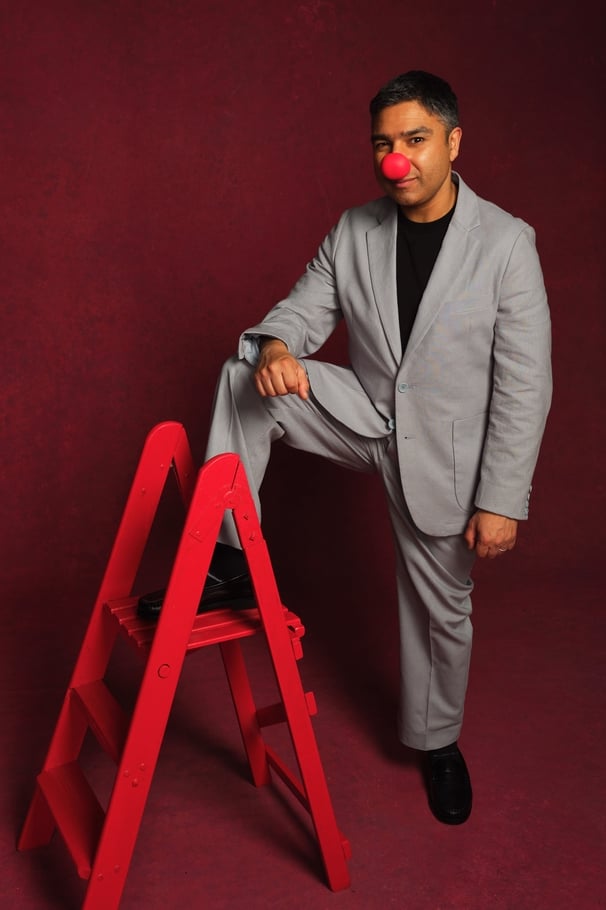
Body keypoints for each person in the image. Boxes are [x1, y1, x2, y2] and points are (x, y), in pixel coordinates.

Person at [139, 70, 552, 825]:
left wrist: (501, 499)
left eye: (416, 140)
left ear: (454, 142)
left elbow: (527, 385)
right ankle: (229, 562)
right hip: (363, 415)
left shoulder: (506, 245)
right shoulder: (353, 230)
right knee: (243, 374)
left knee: (442, 613)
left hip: (448, 455)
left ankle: (440, 745)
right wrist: (275, 347)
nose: (398, 159)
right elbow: (303, 306)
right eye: (384, 144)